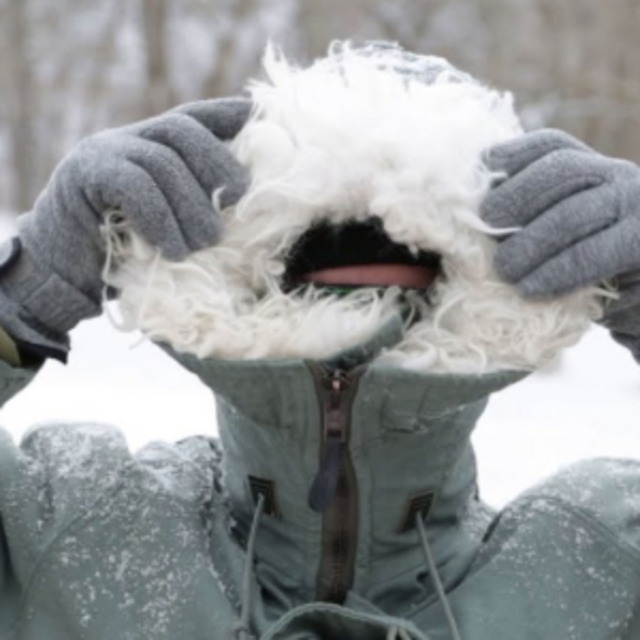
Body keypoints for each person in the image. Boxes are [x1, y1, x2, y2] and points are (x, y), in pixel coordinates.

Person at [0, 43, 638, 640]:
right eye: (323, 237)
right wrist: (24, 295)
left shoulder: (601, 562)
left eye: (412, 249)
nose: (368, 242)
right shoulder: (75, 531)